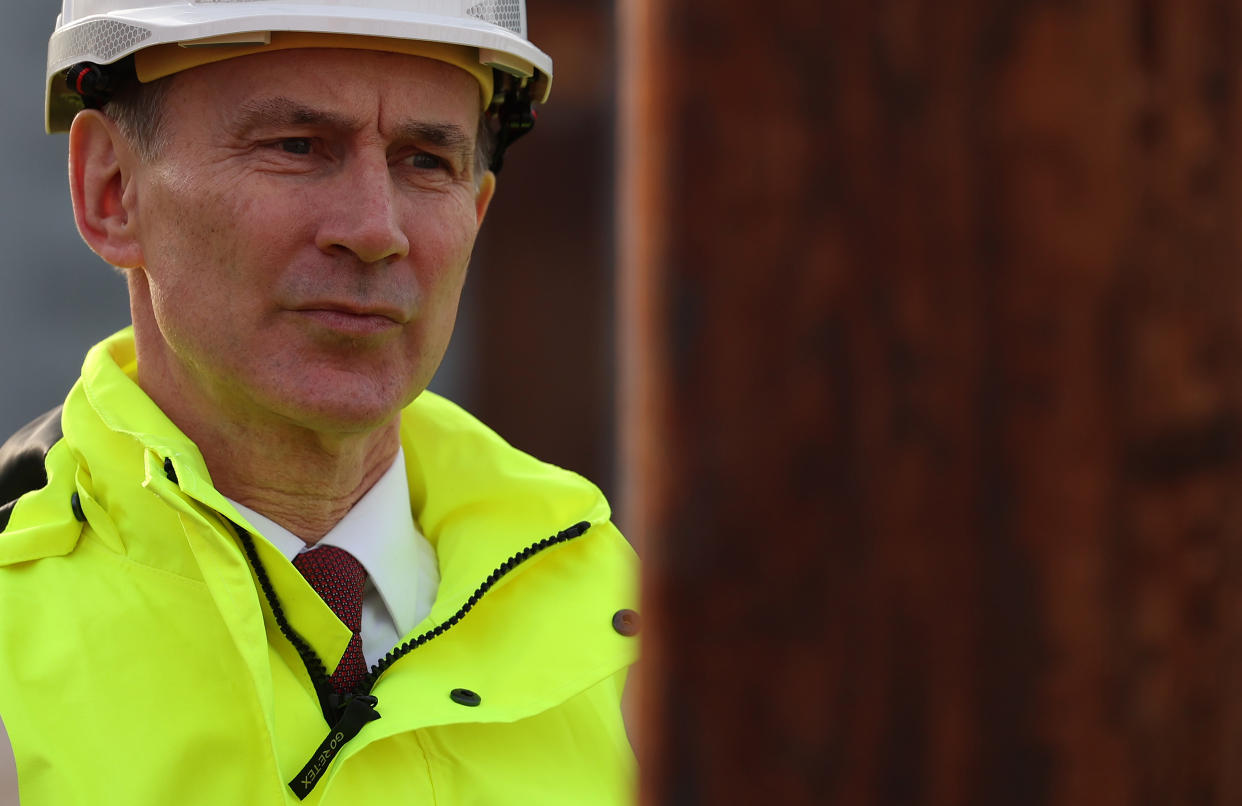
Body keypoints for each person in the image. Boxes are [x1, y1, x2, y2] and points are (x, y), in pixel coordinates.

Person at [0, 2, 639, 804]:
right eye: (297, 147)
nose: (375, 230)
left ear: (476, 212)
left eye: (425, 161)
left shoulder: (632, 638)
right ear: (112, 190)